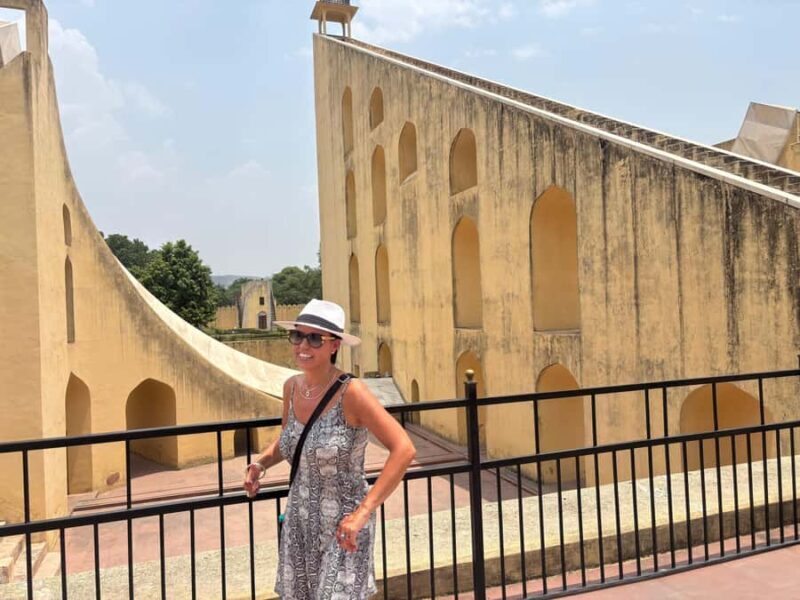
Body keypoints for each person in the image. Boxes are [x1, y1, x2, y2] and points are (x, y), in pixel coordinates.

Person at [243, 299, 416, 600]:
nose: (303, 345)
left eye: (315, 338)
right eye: (298, 335)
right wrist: (260, 465)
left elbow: (404, 449)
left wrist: (363, 512)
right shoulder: (292, 388)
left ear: (334, 345)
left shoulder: (352, 392)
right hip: (300, 521)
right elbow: (289, 440)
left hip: (344, 526)